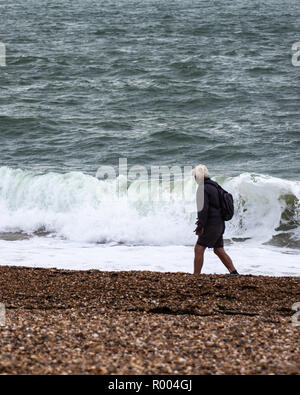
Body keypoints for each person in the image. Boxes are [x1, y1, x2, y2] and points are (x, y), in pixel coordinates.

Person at [192, 164, 239, 275]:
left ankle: (196, 276)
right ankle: (234, 273)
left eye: (194, 176)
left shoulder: (202, 188)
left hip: (211, 225)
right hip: (220, 224)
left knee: (199, 248)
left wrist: (200, 226)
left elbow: (203, 210)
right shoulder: (215, 186)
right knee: (218, 250)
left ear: (197, 177)